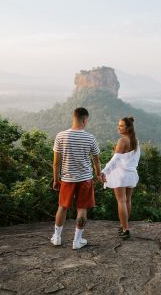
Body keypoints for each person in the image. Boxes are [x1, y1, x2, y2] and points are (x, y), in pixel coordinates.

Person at [51, 107, 102, 249]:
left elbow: (56, 162)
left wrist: (55, 180)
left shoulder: (60, 136)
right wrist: (98, 174)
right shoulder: (90, 138)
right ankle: (77, 241)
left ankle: (57, 238)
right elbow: (96, 160)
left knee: (62, 207)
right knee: (82, 209)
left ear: (73, 118)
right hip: (85, 179)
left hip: (67, 179)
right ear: (85, 119)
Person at [102, 116, 140, 239]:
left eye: (121, 125)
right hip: (131, 174)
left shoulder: (122, 141)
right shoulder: (135, 141)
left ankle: (125, 229)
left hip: (121, 175)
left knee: (121, 201)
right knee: (128, 200)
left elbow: (114, 160)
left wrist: (104, 171)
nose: (118, 127)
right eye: (118, 125)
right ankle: (124, 225)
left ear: (128, 128)